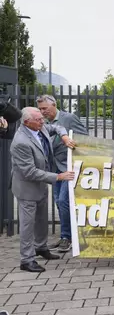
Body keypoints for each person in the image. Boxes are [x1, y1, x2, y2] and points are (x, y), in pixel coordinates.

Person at [10, 107, 76, 272]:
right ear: (27, 122)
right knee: (27, 224)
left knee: (41, 218)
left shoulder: (40, 127)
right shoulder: (20, 142)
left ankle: (41, 247)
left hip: (40, 183)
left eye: (42, 118)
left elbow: (58, 127)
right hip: (27, 187)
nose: (43, 121)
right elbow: (29, 172)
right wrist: (58, 177)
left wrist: (64, 136)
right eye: (38, 119)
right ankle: (26, 260)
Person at [36, 95, 88, 253]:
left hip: (69, 167)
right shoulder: (42, 122)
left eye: (45, 108)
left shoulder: (69, 118)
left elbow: (84, 138)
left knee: (64, 200)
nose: (42, 111)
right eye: (40, 109)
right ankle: (66, 235)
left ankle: (68, 237)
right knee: (59, 202)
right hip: (54, 169)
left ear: (54, 105)